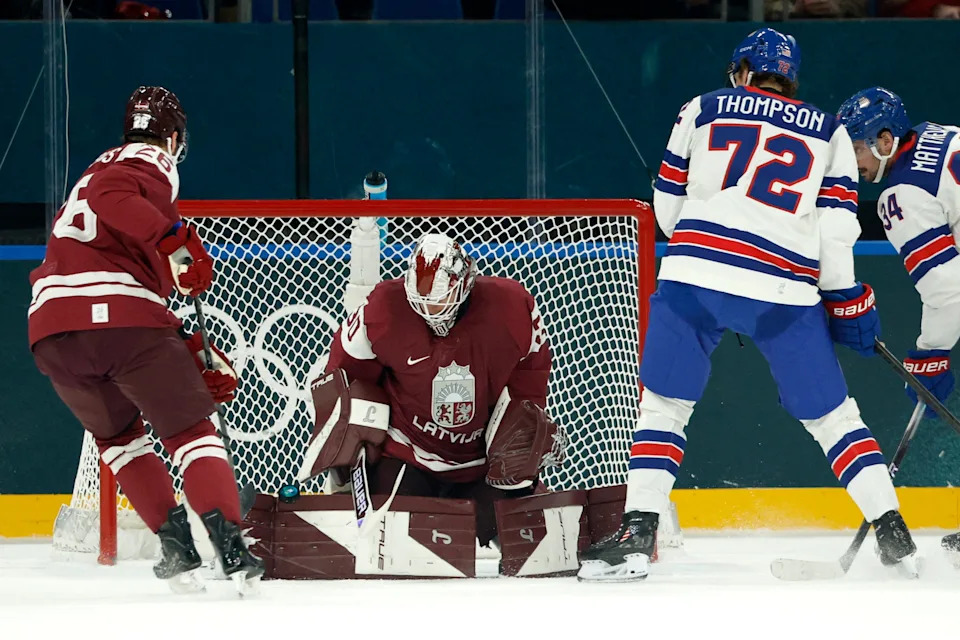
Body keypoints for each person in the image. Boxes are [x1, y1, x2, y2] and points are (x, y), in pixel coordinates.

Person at [578, 28, 916, 582]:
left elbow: (667, 207)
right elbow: (834, 229)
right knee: (834, 417)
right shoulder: (830, 130)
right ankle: (891, 527)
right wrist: (847, 298)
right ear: (791, 79)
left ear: (740, 71)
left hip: (695, 276)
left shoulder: (700, 108)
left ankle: (638, 532)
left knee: (664, 407)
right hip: (783, 290)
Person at [29, 86, 262, 593]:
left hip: (52, 330)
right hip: (120, 320)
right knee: (191, 434)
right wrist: (174, 241)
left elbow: (108, 247)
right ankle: (229, 545)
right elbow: (117, 200)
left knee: (119, 440)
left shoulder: (97, 166)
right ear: (174, 134)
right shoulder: (149, 158)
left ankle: (177, 550)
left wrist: (186, 343)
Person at [312, 232, 558, 547]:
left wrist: (522, 430)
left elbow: (531, 376)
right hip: (406, 455)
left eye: (439, 299)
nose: (430, 310)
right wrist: (350, 454)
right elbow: (344, 378)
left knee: (523, 545)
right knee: (394, 545)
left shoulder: (512, 307)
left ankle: (527, 496)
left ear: (465, 282)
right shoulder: (383, 309)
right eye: (422, 300)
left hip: (483, 464)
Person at [837, 87, 960, 555]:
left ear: (886, 139)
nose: (852, 165)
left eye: (857, 149)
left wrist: (930, 353)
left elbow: (947, 290)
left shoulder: (901, 192)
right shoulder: (936, 134)